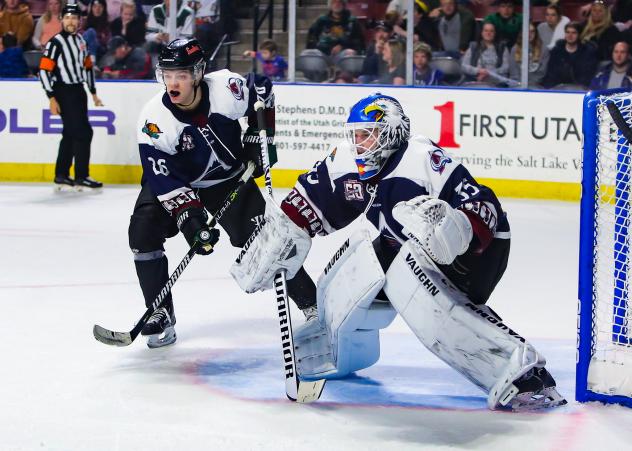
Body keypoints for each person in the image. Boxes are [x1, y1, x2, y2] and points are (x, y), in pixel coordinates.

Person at [230, 93, 567, 412]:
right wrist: (276, 236)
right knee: (357, 264)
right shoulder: (348, 162)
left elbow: (484, 205)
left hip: (477, 254)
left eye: (367, 135)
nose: (359, 144)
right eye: (356, 135)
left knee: (412, 284)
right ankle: (333, 347)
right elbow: (306, 203)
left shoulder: (423, 159)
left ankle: (522, 374)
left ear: (390, 132)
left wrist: (455, 229)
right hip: (405, 246)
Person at [130, 38, 317, 348]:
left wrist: (260, 138)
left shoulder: (227, 88)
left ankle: (312, 306)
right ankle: (160, 312)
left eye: (182, 75)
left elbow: (263, 93)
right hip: (178, 182)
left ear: (199, 73)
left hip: (229, 179)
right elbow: (162, 177)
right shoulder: (154, 121)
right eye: (167, 74)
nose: (173, 83)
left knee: (271, 242)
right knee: (142, 231)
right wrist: (190, 220)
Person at [38, 3, 104, 190]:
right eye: (67, 17)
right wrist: (51, 97)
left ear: (79, 21)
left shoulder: (82, 41)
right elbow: (43, 71)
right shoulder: (56, 42)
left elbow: (88, 67)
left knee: (69, 133)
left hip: (78, 91)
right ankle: (81, 176)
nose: (71, 21)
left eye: (74, 18)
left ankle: (61, 175)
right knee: (84, 132)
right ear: (61, 19)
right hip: (63, 91)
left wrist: (93, 92)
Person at [542, 22, 598, 89]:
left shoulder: (587, 53)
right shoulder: (556, 51)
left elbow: (588, 77)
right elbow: (550, 75)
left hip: (580, 90)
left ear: (579, 35)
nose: (570, 35)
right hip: (557, 90)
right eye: (567, 32)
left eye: (574, 33)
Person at [461, 21, 510, 86]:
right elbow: (464, 66)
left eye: (491, 31)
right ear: (481, 33)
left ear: (495, 33)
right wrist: (479, 71)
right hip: (476, 79)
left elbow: (506, 67)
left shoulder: (502, 48)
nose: (488, 33)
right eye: (486, 30)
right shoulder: (474, 47)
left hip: (496, 81)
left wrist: (488, 73)